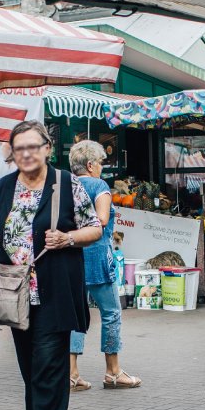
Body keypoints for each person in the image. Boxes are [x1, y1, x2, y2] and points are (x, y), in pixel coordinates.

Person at [0, 121, 102, 410]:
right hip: (16, 297)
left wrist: (67, 238)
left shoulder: (66, 183)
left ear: (47, 148)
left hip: (53, 296)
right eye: (20, 148)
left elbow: (95, 228)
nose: (27, 154)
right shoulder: (5, 187)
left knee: (48, 374)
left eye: (33, 146)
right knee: (32, 375)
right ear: (13, 154)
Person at [67, 140, 140, 392]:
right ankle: (113, 372)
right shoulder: (99, 186)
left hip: (73, 258)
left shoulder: (67, 185)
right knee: (111, 313)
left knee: (75, 316)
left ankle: (72, 374)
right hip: (98, 258)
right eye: (100, 163)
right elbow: (102, 220)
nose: (101, 167)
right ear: (90, 164)